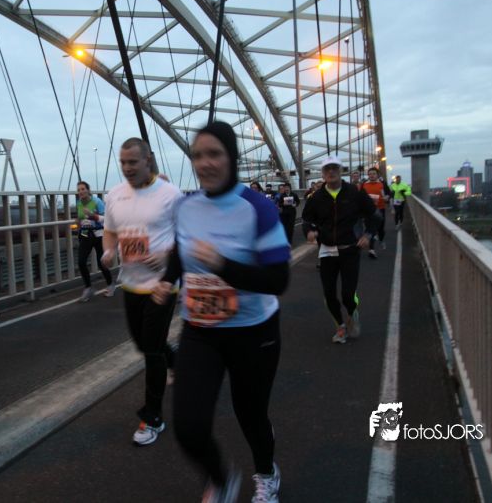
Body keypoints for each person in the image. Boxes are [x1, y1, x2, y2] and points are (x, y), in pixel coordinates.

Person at [153, 121, 290, 503]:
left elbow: (278, 279)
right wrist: (167, 279)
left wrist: (222, 265)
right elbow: (180, 252)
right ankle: (221, 478)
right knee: (188, 424)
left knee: (251, 415)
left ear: (232, 157)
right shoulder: (186, 206)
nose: (205, 163)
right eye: (198, 155)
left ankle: (266, 473)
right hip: (201, 329)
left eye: (214, 154)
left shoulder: (258, 208)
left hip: (254, 331)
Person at [101, 137, 182, 446]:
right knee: (144, 343)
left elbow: (187, 236)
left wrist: (165, 257)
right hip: (131, 282)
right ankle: (177, 363)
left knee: (151, 350)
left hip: (162, 285)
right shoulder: (115, 195)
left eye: (133, 162)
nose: (127, 167)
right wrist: (109, 251)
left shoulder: (170, 194)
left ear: (148, 160)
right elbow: (110, 231)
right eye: (123, 162)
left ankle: (153, 417)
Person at [301, 155, 379, 344]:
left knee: (347, 294)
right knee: (329, 293)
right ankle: (340, 326)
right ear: (322, 173)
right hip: (327, 251)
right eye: (327, 169)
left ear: (341, 171)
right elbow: (306, 219)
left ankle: (352, 312)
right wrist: (309, 231)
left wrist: (368, 235)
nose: (331, 172)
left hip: (349, 250)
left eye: (334, 168)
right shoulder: (316, 197)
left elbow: (375, 216)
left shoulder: (355, 192)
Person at [76, 180, 114, 301]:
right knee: (81, 261)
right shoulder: (79, 203)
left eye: (83, 189)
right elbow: (81, 219)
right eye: (79, 190)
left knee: (101, 262)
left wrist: (92, 215)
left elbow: (106, 218)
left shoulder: (97, 202)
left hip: (98, 235)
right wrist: (78, 223)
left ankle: (110, 284)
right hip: (85, 234)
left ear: (88, 190)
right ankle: (88, 288)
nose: (81, 191)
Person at [361, 167, 391, 258]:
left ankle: (381, 239)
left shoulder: (382, 184)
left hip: (380, 209)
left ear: (377, 175)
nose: (372, 175)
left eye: (374, 174)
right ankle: (371, 249)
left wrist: (387, 197)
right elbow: (360, 196)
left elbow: (389, 194)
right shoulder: (364, 184)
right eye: (370, 174)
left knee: (380, 229)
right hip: (368, 211)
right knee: (370, 229)